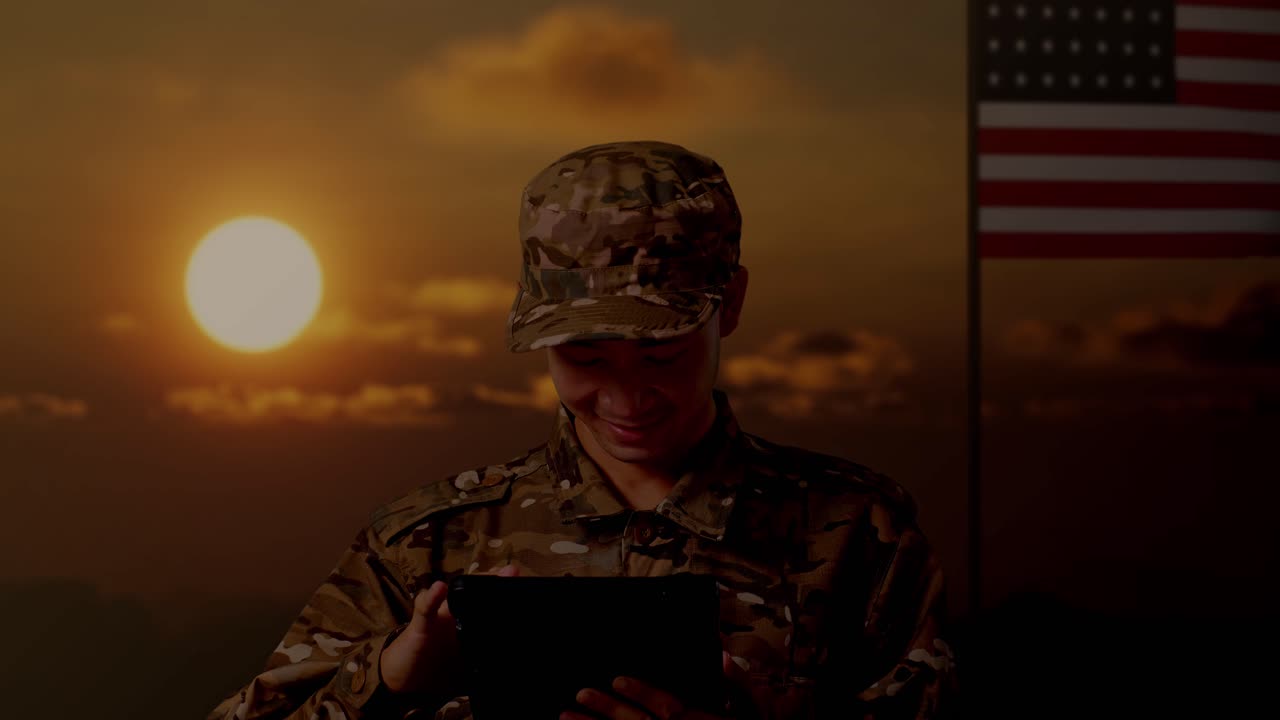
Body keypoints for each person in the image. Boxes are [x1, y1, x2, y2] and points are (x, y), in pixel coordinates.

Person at [206, 140, 955, 720]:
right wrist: (393, 678)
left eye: (661, 351)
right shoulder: (425, 546)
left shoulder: (861, 535)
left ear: (729, 305)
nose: (627, 396)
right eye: (585, 356)